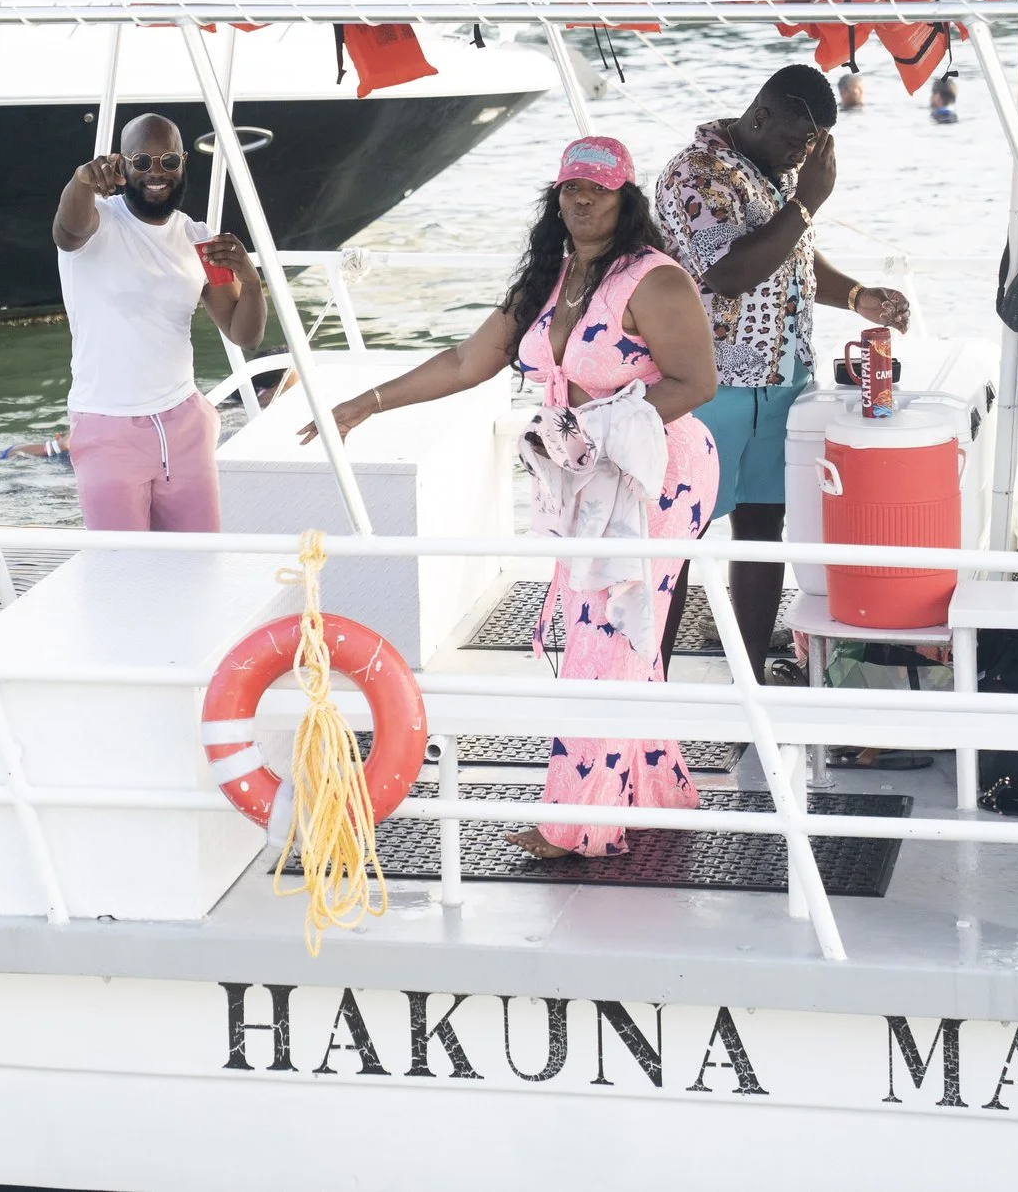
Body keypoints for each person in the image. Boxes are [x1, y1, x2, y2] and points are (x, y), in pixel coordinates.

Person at [303, 137, 719, 858]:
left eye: (599, 187)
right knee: (624, 637)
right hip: (585, 472)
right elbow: (467, 360)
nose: (583, 199)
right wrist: (366, 404)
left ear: (626, 198)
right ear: (556, 197)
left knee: (603, 637)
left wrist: (610, 418)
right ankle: (656, 791)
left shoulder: (654, 281)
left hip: (657, 472)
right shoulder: (551, 281)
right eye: (571, 187)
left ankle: (577, 821)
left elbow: (697, 382)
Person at [656, 65, 911, 686]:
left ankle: (748, 674)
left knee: (763, 519)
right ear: (760, 116)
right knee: (677, 534)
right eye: (796, 142)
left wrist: (856, 296)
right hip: (707, 383)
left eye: (812, 147)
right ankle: (648, 684)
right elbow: (728, 271)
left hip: (781, 379)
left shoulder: (777, 173)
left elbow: (789, 252)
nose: (801, 157)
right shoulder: (695, 175)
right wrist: (805, 202)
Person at [53, 115, 267, 531]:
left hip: (184, 424)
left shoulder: (199, 238)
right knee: (122, 569)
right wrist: (80, 181)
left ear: (184, 162)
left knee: (199, 564)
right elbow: (67, 232)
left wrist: (252, 282)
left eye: (169, 161)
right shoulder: (97, 220)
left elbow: (246, 335)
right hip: (107, 427)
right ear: (122, 164)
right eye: (142, 161)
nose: (156, 173)